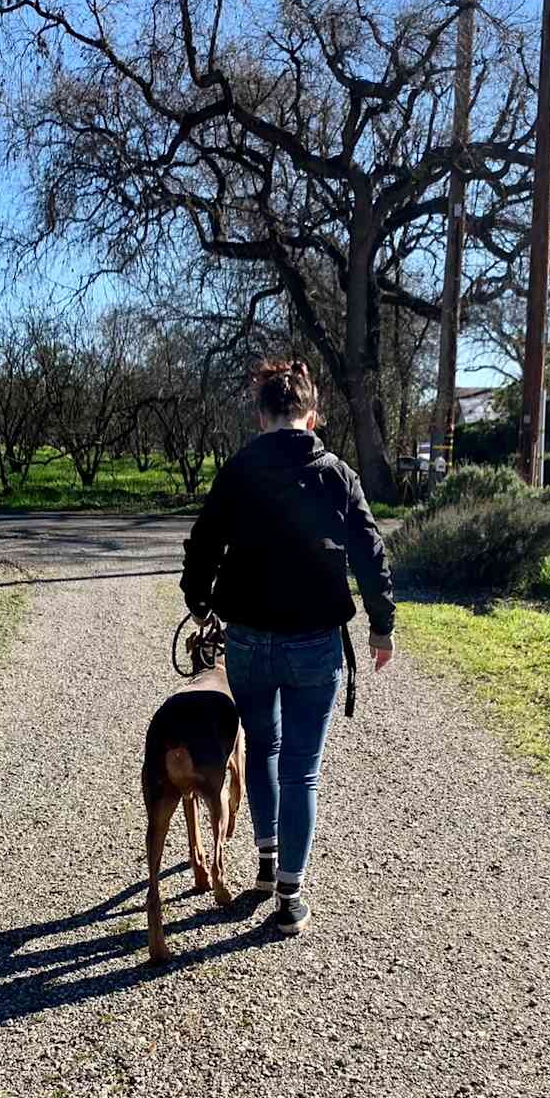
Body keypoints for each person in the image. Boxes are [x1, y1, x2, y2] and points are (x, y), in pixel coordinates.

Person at [180, 357, 395, 938]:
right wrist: (381, 624)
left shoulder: (240, 470)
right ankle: (291, 896)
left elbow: (203, 543)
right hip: (316, 645)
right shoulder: (337, 474)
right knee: (304, 770)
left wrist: (199, 603)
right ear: (312, 412)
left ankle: (268, 861)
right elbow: (370, 552)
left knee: (264, 752)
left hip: (248, 641)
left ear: (262, 415)